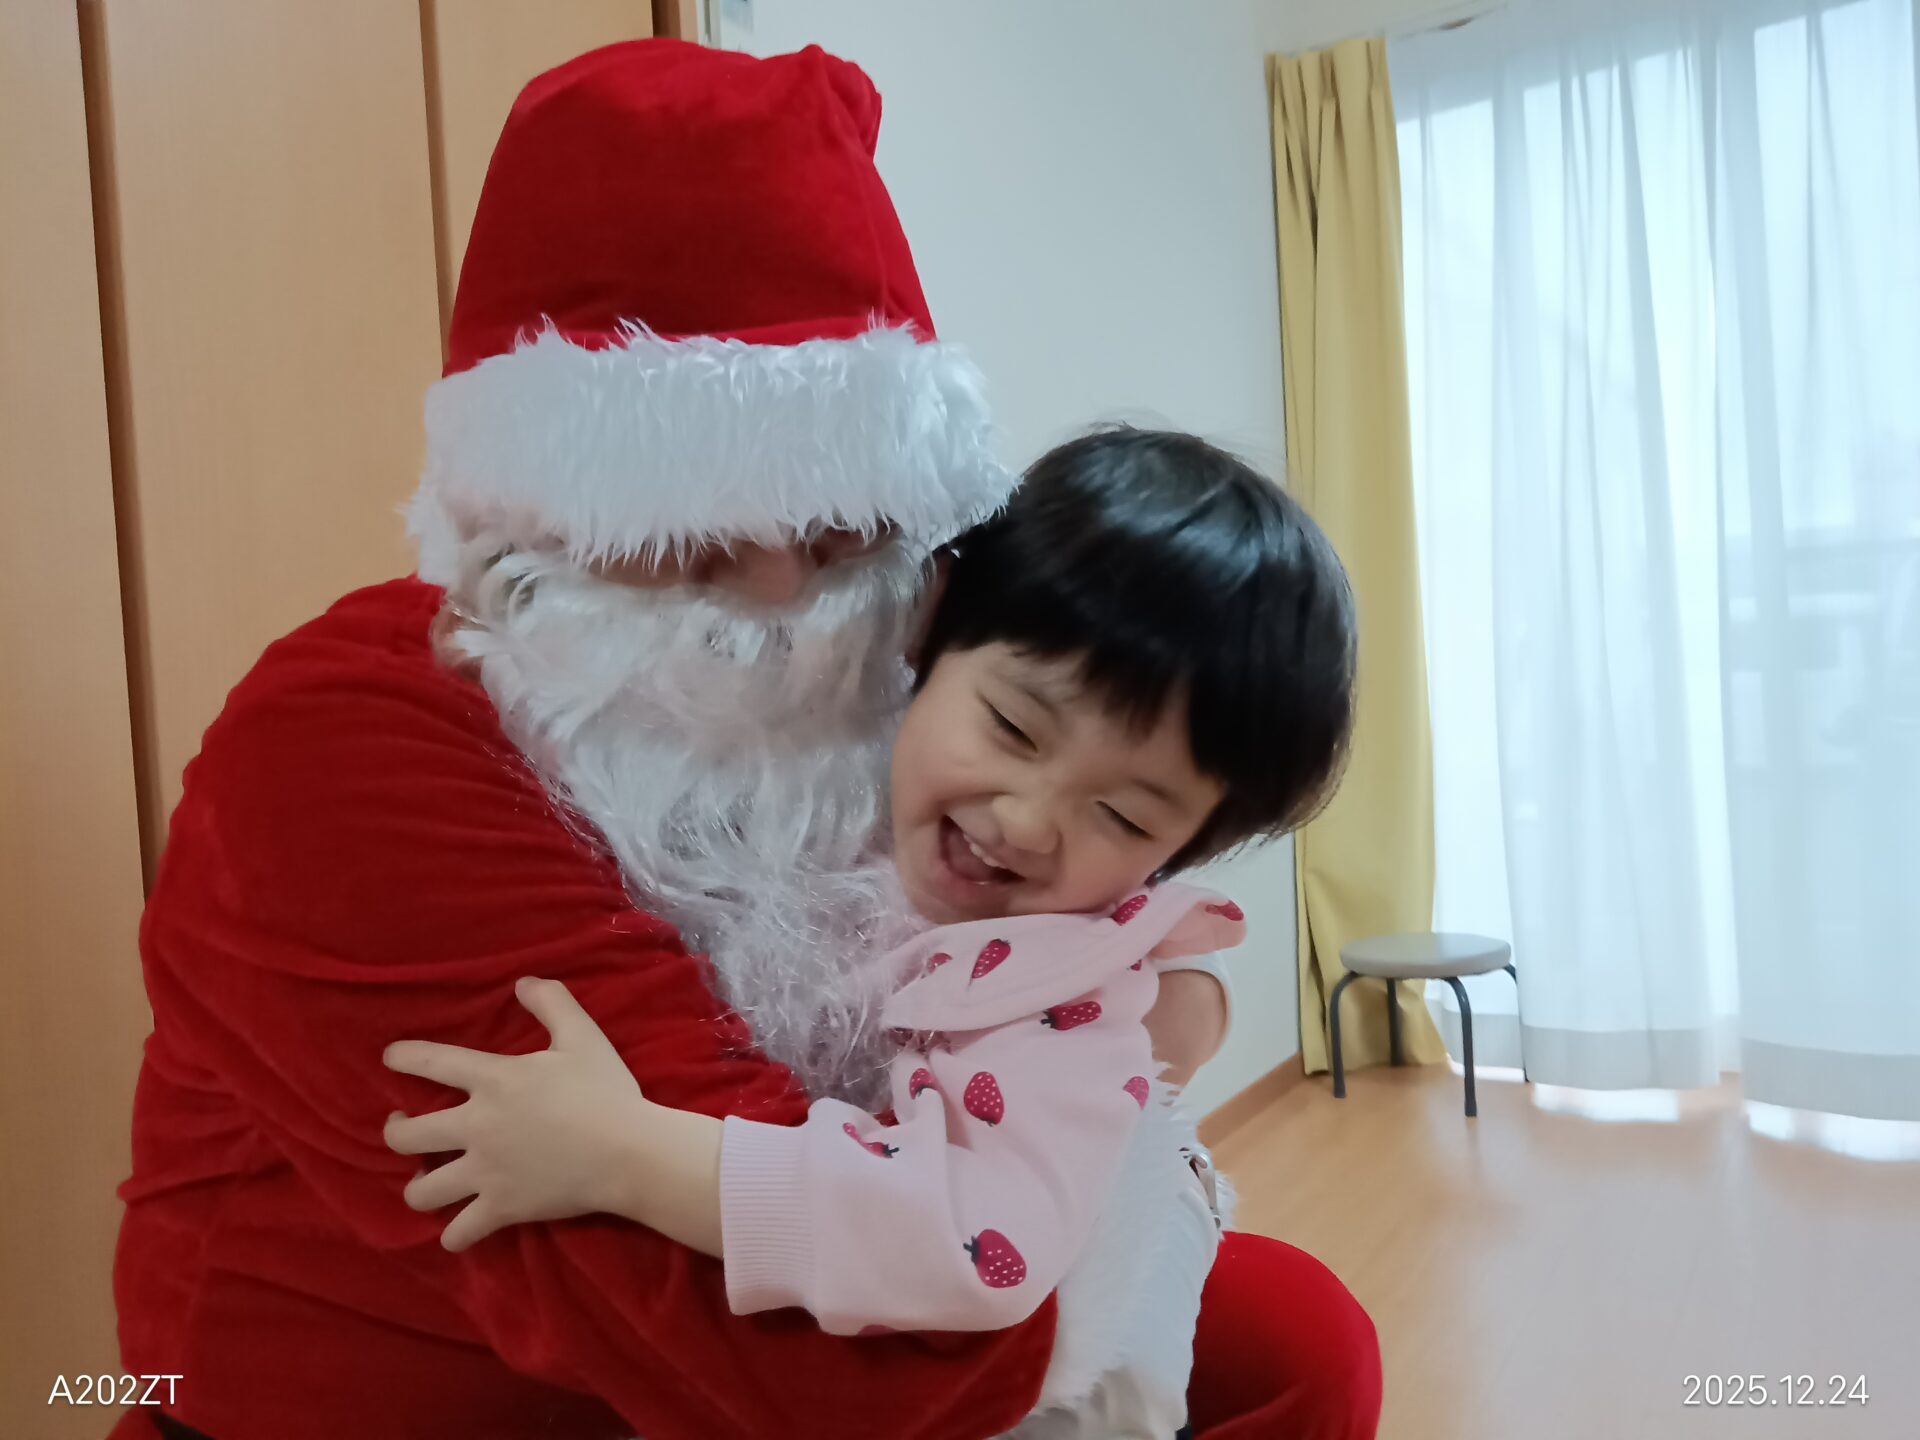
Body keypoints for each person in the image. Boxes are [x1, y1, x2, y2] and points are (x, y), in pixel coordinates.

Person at [110, 39, 1382, 1440]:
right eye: (697, 532)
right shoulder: (343, 749)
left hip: (890, 1222)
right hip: (444, 1387)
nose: (782, 598)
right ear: (540, 505)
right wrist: (1116, 1217)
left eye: (840, 527)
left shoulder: (898, 666)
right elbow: (826, 1375)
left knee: (1300, 1344)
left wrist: (1145, 1020)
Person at [379, 429, 1356, 1436]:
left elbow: (970, 1242)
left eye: (1122, 816)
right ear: (929, 625)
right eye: (1014, 729)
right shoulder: (828, 765)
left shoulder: (1058, 1007)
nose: (1027, 821)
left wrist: (627, 1156)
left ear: (1177, 856)